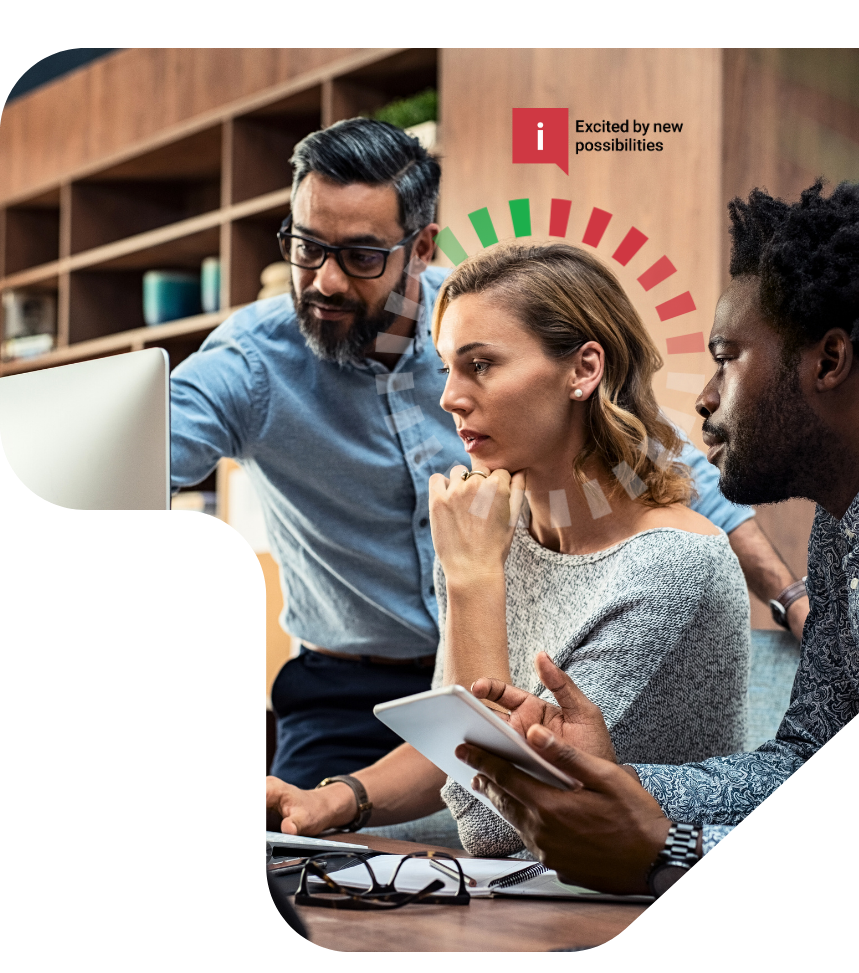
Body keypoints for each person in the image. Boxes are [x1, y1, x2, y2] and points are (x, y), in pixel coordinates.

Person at [169, 117, 806, 794]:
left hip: (508, 666)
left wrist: (792, 598)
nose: (323, 281)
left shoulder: (490, 315)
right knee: (289, 862)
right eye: (306, 248)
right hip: (343, 690)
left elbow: (673, 472)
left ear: (419, 248)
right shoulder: (251, 364)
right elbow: (131, 464)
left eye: (359, 256)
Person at [451, 179, 859, 891]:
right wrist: (608, 777)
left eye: (726, 355)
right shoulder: (845, 537)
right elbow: (807, 767)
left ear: (828, 362)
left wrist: (674, 849)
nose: (706, 398)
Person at [265, 241, 753, 855]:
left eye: (482, 365)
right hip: (528, 900)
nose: (450, 397)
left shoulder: (673, 566)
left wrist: (471, 577)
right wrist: (336, 798)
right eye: (447, 367)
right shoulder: (496, 535)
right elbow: (454, 734)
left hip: (639, 918)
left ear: (584, 369)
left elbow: (495, 821)